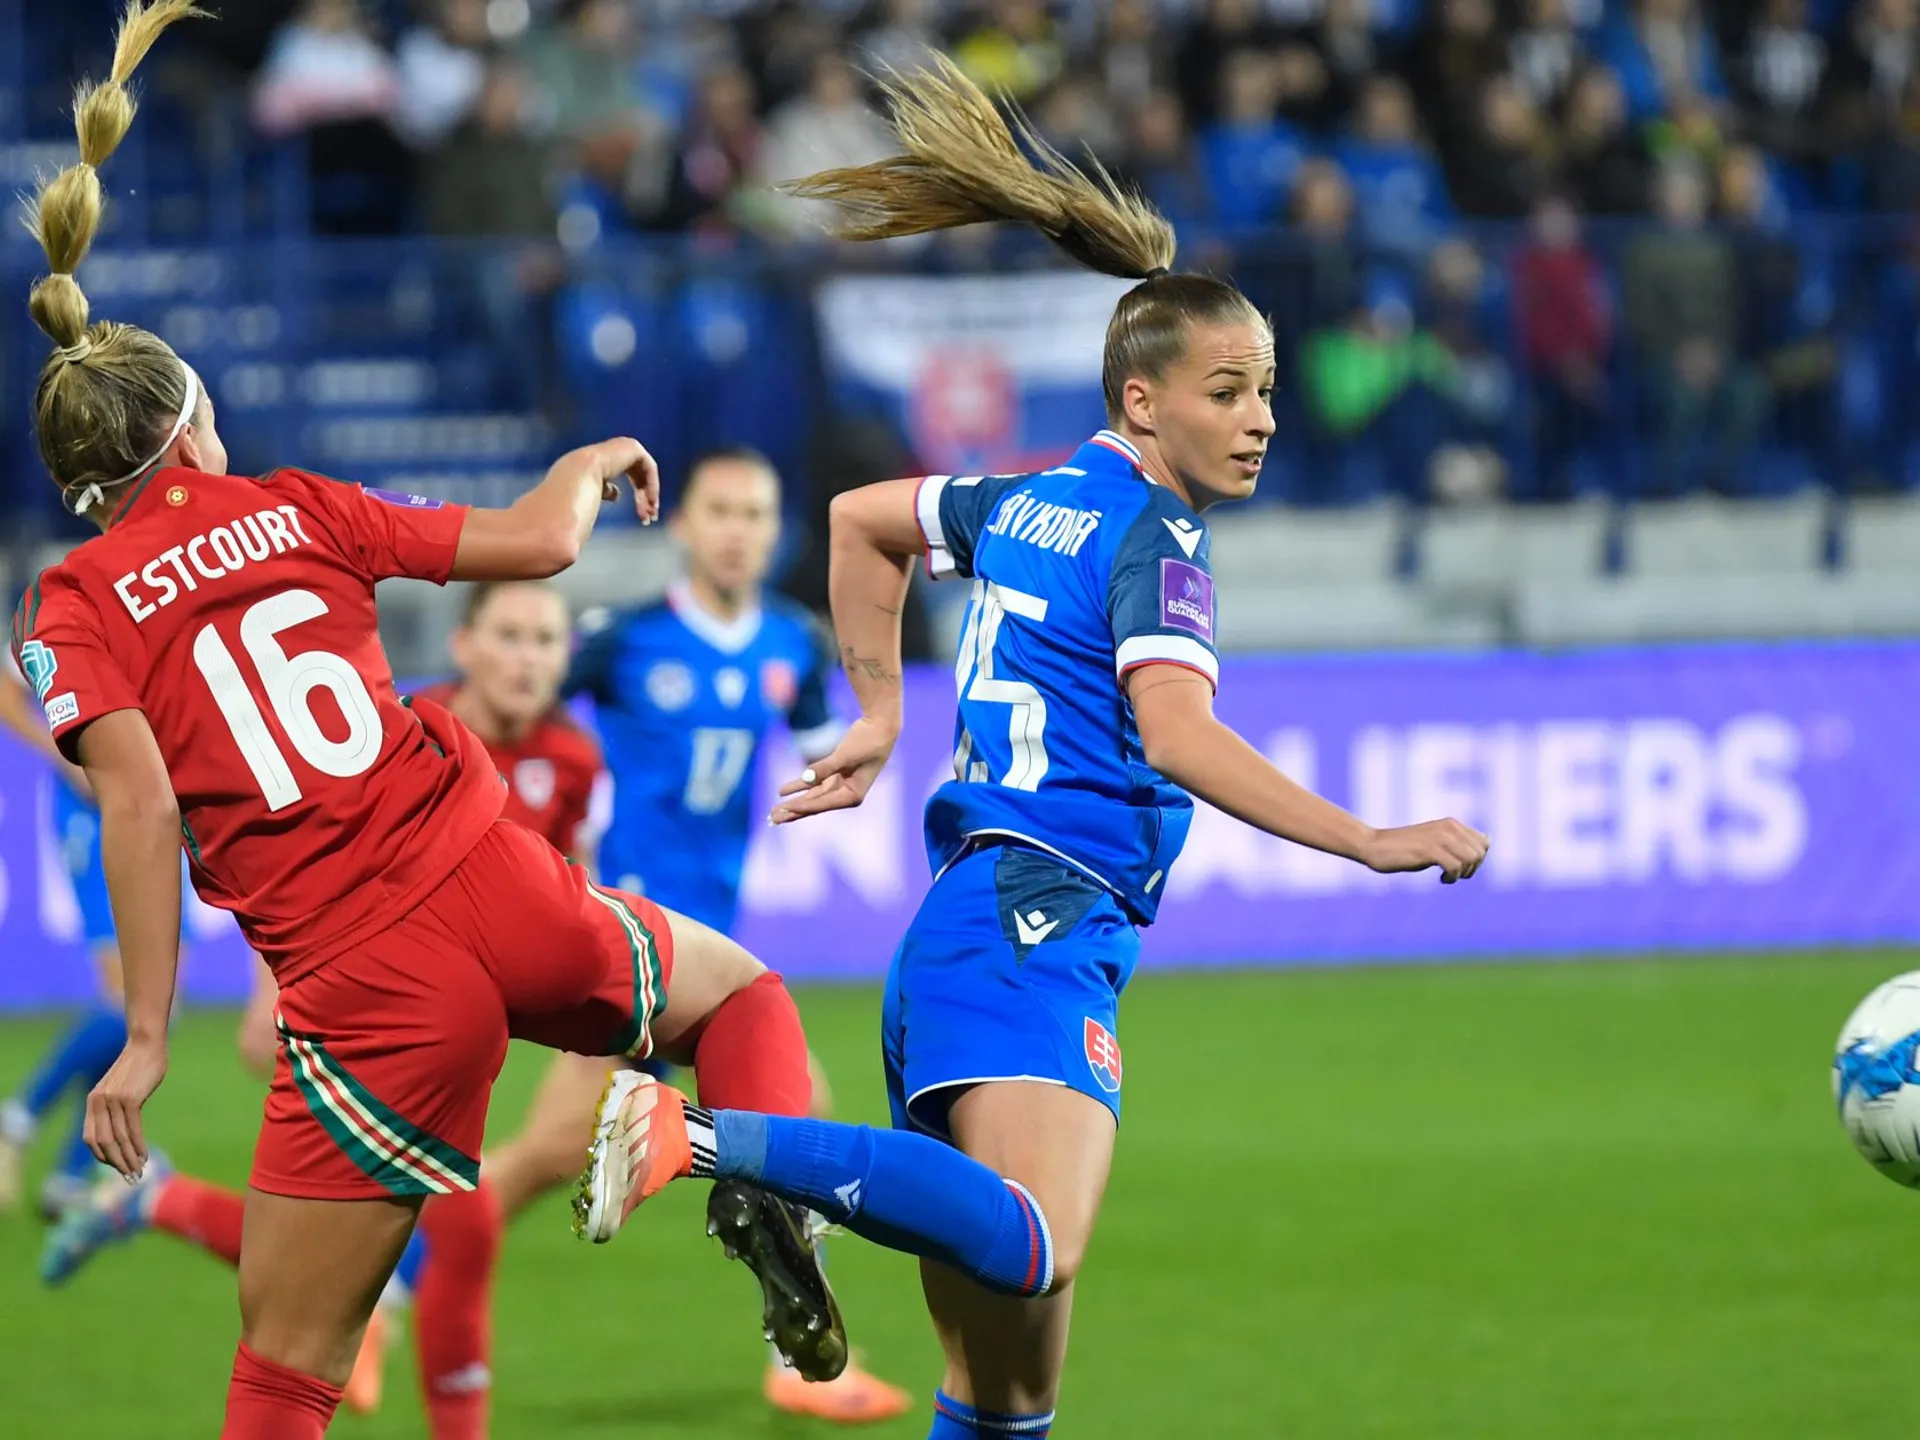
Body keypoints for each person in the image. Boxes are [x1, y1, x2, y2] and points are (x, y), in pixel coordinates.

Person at [571, 56, 1489, 1440]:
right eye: (1230, 393)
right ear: (1141, 400)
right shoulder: (1155, 538)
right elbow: (1178, 737)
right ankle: (702, 1143)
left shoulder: (1033, 498)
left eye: (1266, 391)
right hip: (1034, 920)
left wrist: (884, 712)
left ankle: (760, 1165)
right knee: (1037, 1244)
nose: (1260, 420)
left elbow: (865, 524)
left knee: (1006, 1397)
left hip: (965, 925)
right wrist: (1368, 838)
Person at [17, 7, 841, 1437]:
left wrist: (145, 1037)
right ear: (194, 422)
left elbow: (139, 806)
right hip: (491, 868)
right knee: (741, 995)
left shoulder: (72, 604)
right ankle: (756, 1180)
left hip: (362, 984)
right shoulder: (298, 504)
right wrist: (584, 464)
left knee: (284, 1364)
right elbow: (533, 542)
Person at [37, 578, 605, 1433]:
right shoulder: (402, 726)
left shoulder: (572, 760)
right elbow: (312, 849)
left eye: (547, 640)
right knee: (428, 1236)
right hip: (359, 1002)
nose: (529, 659)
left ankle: (158, 1205)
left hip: (450, 1022)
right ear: (465, 644)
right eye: (512, 635)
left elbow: (569, 889)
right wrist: (282, 983)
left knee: (386, 1244)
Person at [485, 448, 912, 1423]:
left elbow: (819, 752)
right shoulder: (626, 640)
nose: (736, 530)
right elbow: (521, 715)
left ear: (776, 531)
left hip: (713, 958)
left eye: (756, 514)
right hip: (624, 944)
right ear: (684, 524)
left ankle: (800, 1358)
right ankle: (396, 1289)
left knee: (795, 1130)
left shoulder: (794, 643)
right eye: (720, 510)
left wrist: (858, 758)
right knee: (558, 1151)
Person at [0, 654, 177, 1220]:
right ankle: (24, 1114)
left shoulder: (155, 585)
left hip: (154, 800)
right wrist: (59, 754)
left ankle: (70, 1174)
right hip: (95, 804)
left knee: (155, 1003)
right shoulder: (64, 598)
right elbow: (8, 684)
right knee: (128, 997)